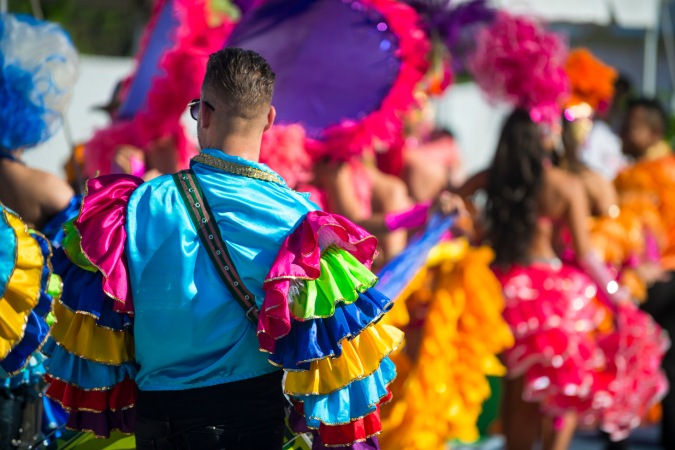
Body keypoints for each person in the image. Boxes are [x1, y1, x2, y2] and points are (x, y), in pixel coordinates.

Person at [44, 48, 429, 450]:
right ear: (269, 119)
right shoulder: (303, 222)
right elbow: (338, 369)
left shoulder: (133, 207)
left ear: (204, 114)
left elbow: (96, 329)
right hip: (248, 424)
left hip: (153, 423)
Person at [460, 109, 667, 450]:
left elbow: (449, 199)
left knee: (516, 391)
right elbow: (587, 255)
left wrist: (476, 231)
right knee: (561, 391)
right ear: (546, 138)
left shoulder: (492, 177)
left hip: (497, 289)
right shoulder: (565, 185)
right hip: (550, 297)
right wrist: (617, 295)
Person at [615, 97, 675, 449]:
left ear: (653, 132)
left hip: (647, 284)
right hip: (655, 279)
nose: (623, 129)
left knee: (625, 360)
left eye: (632, 124)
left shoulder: (635, 177)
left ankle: (617, 439)